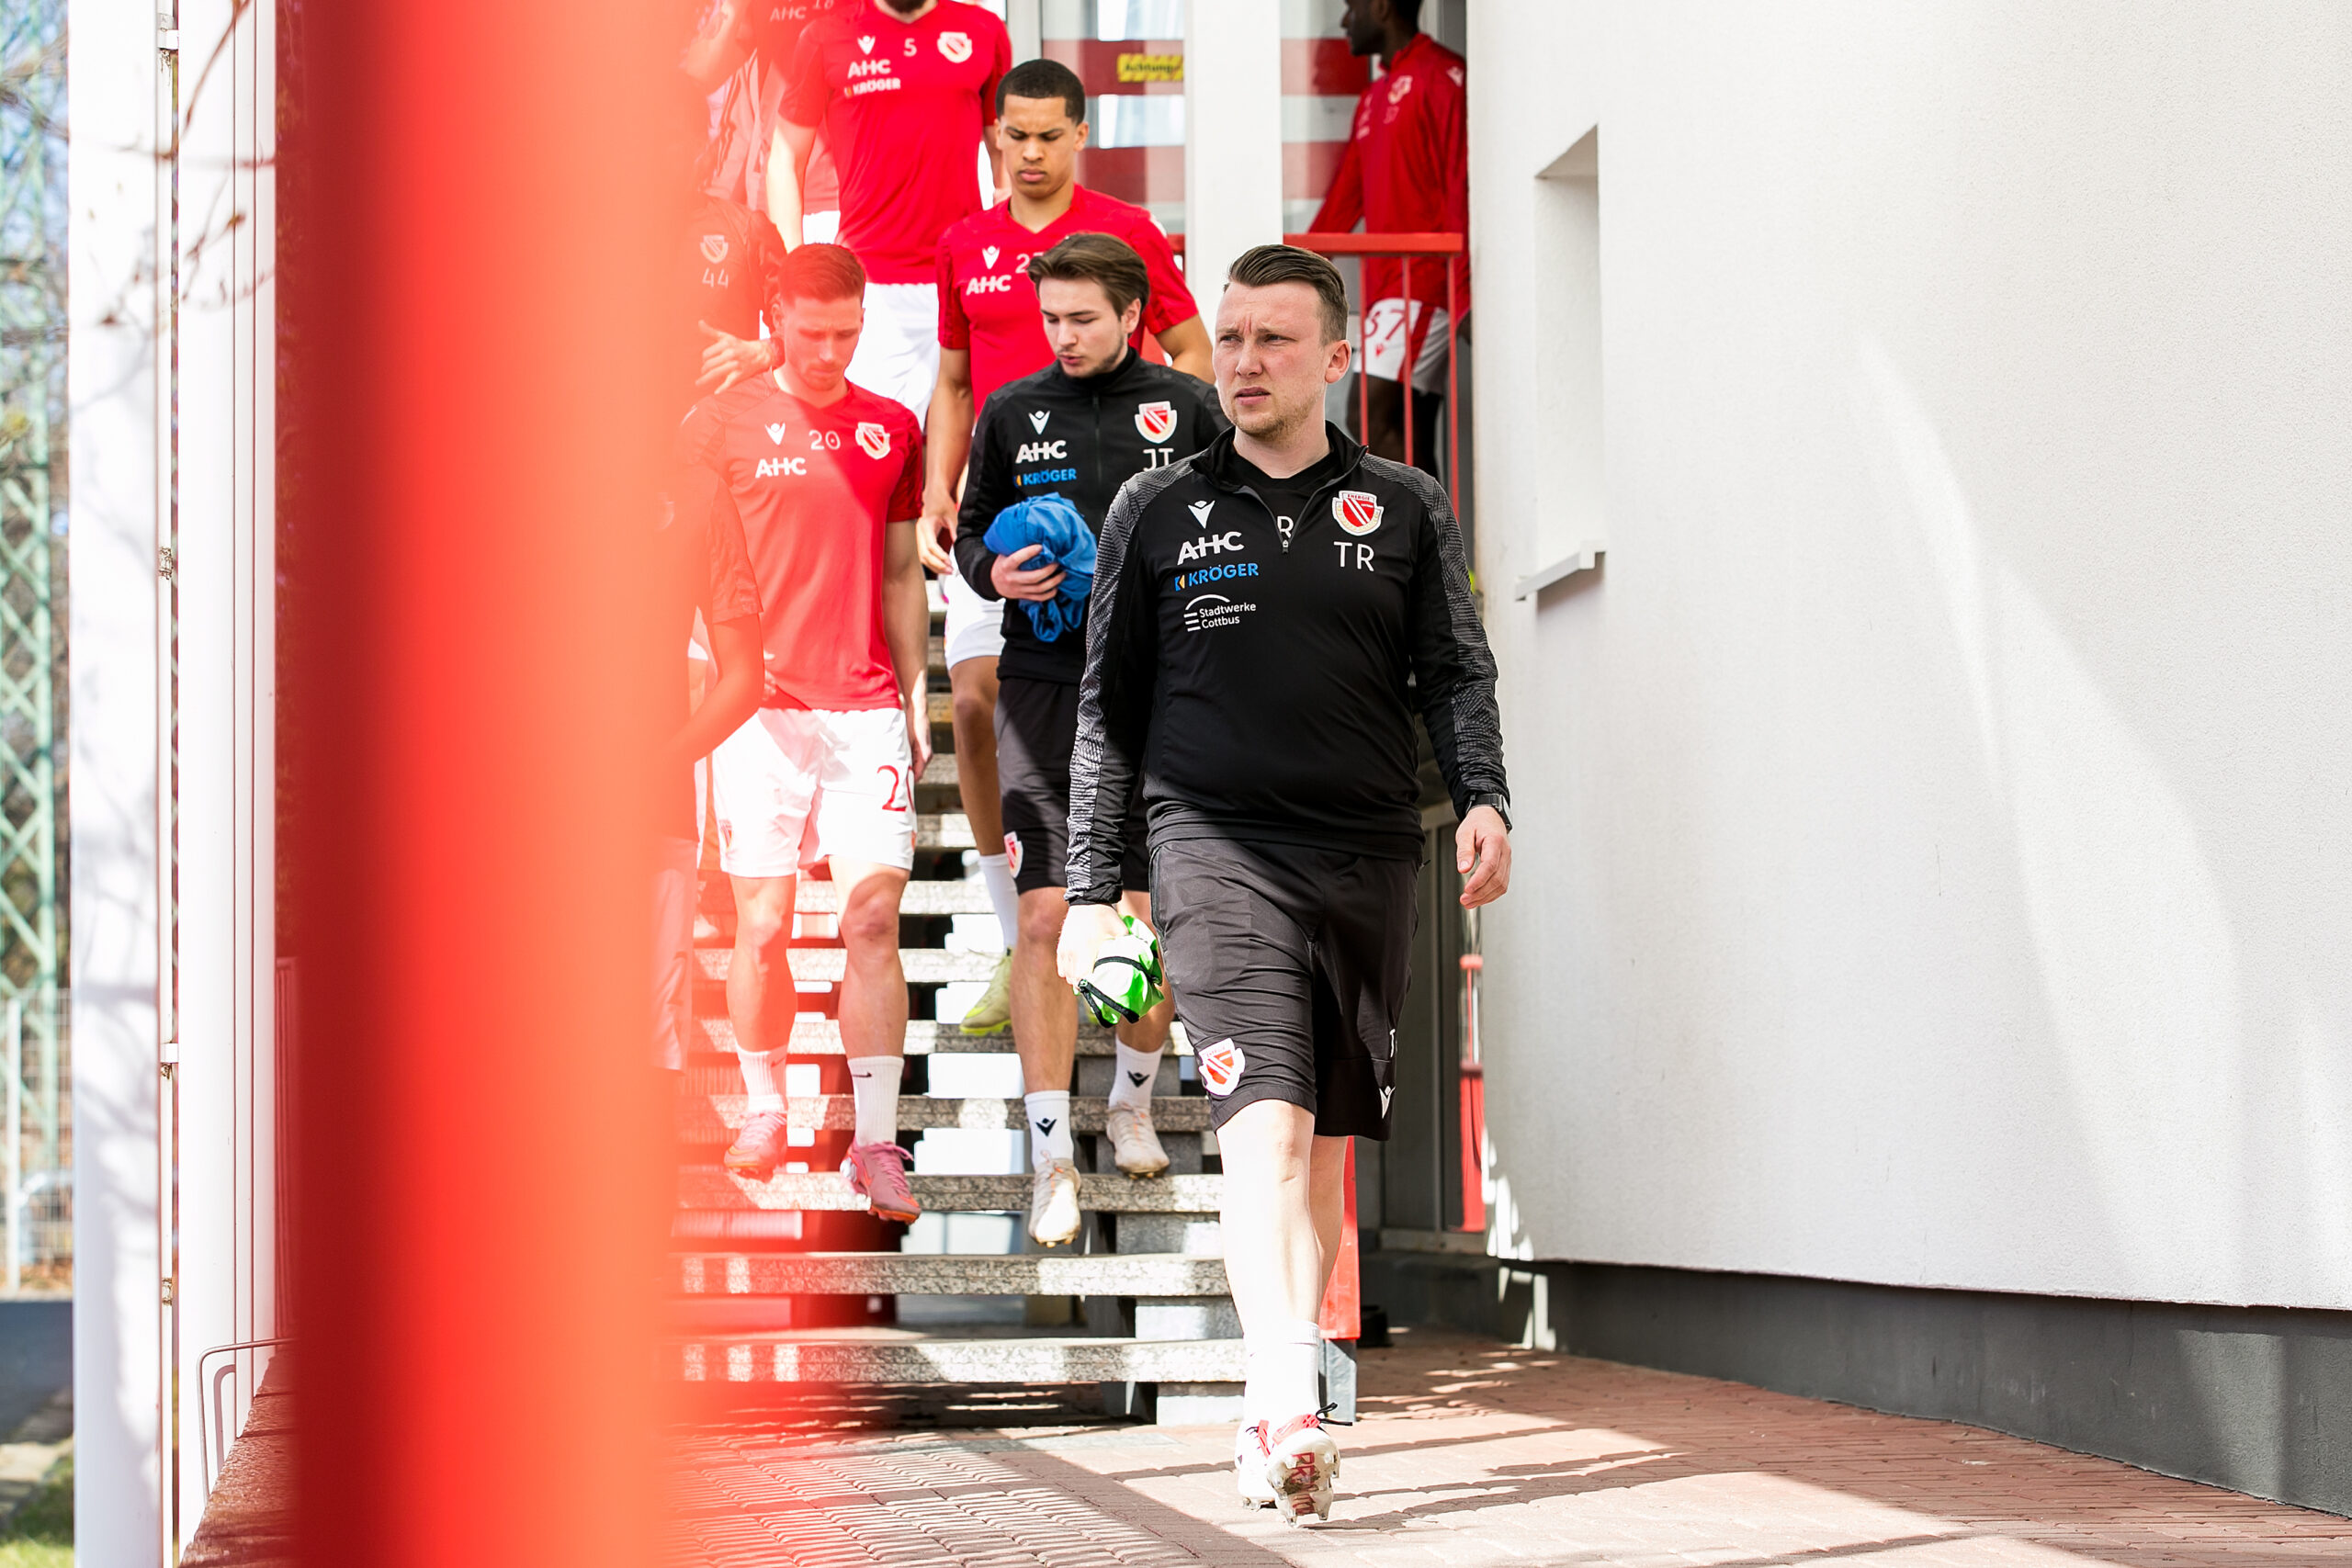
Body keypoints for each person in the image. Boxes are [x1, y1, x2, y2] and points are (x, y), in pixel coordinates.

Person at [1056, 245, 1510, 1522]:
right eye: (1231, 338)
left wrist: (1483, 795)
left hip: (1366, 852)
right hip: (1210, 847)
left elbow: (1455, 671)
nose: (1243, 363)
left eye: (1272, 340)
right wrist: (1092, 886)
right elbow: (1107, 704)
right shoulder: (1155, 505)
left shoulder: (1405, 504)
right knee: (1263, 1123)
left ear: (1334, 355)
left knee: (1317, 1147)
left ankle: (1283, 1395)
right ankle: (1283, 1401)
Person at [924, 56, 1210, 1033]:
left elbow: (1191, 350)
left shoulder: (1126, 231)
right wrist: (938, 484)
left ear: (1080, 135)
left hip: (1117, 537)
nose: (1031, 151)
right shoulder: (964, 242)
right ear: (994, 136)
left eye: (1050, 134)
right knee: (972, 698)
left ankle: (1102, 957)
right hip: (1008, 517)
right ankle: (1019, 928)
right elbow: (953, 381)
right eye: (1015, 134)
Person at [950, 233, 1224, 1244]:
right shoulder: (1010, 410)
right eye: (1049, 319)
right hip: (1042, 685)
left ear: (1133, 315)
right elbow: (969, 534)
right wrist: (991, 574)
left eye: (1081, 319)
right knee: (1044, 920)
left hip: (1163, 690)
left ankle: (1133, 1105)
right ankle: (1052, 1159)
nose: (1061, 336)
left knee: (1143, 919)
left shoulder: (1190, 409)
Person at [675, 243, 933, 1224]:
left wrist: (914, 692)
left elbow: (901, 572)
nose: (830, 353)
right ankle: (764, 1108)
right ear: (775, 316)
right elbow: (680, 562)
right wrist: (714, 670)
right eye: (813, 333)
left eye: (848, 334)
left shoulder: (890, 425)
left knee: (871, 921)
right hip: (759, 712)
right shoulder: (717, 423)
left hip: (863, 707)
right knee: (763, 925)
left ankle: (876, 1142)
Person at [767, 0, 1013, 417]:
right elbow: (785, 158)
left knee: (969, 446)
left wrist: (1004, 246)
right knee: (878, 445)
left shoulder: (983, 30)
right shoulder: (827, 36)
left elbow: (1004, 148)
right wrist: (797, 266)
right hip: (870, 287)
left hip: (963, 281)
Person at [1307, 0, 1467, 473]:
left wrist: (1462, 292)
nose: (1344, 21)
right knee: (1406, 425)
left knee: (1371, 414)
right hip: (1386, 290)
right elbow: (1341, 203)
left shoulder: (1444, 75)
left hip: (1423, 283)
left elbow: (1461, 185)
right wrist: (1285, 270)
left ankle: (1413, 522)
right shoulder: (1373, 97)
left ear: (1379, 7)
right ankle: (1432, 523)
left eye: (1350, 7)